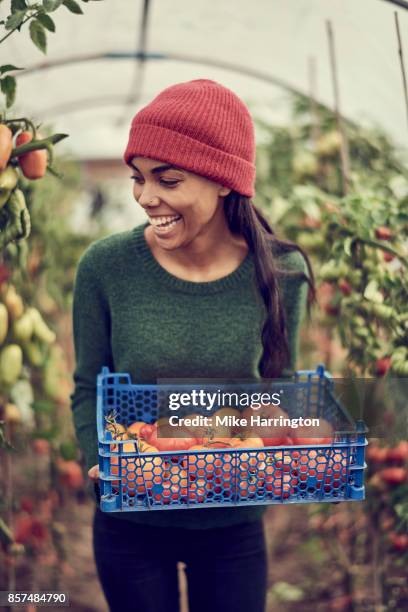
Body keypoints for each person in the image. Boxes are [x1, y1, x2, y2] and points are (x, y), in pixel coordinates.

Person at [70, 79, 316, 612]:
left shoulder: (281, 273)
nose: (145, 197)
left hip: (231, 524)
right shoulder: (106, 267)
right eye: (138, 178)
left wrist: (291, 448)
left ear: (224, 181)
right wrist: (104, 466)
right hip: (131, 520)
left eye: (169, 179)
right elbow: (89, 382)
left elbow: (278, 389)